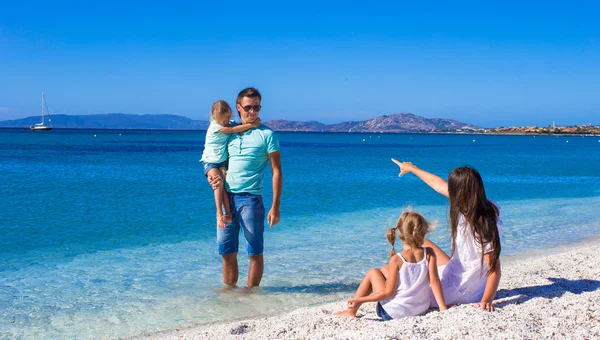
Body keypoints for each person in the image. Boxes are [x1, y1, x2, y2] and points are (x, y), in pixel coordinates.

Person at [391, 159, 502, 311]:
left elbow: (494, 268)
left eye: (453, 189)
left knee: (419, 294)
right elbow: (439, 185)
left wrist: (486, 300)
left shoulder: (482, 224)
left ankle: (393, 280)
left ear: (461, 193)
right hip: (457, 269)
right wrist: (412, 168)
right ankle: (399, 275)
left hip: (462, 289)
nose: (449, 191)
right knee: (420, 240)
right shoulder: (484, 205)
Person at [208, 87, 282, 289]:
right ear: (239, 108)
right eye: (248, 108)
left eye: (256, 108)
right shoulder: (226, 130)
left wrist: (275, 207)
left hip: (250, 200)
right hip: (225, 198)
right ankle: (230, 294)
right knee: (226, 251)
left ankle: (250, 296)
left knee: (254, 251)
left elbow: (277, 171)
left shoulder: (267, 135)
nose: (252, 112)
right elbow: (211, 155)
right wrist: (209, 173)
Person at [335, 211, 448, 319]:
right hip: (420, 309)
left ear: (399, 233)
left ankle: (351, 311)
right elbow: (434, 282)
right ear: (422, 232)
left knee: (373, 272)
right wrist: (443, 308)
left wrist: (361, 300)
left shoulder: (396, 259)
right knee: (385, 269)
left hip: (393, 313)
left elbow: (389, 293)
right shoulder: (429, 253)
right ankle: (352, 309)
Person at [201, 100, 261, 228]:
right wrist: (252, 125)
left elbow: (237, 126)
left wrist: (248, 123)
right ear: (215, 118)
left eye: (228, 119)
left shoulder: (228, 123)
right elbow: (233, 129)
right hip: (210, 161)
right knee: (217, 182)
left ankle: (228, 213)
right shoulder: (215, 127)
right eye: (223, 121)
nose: (226, 122)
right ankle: (219, 213)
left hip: (222, 160)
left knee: (225, 184)